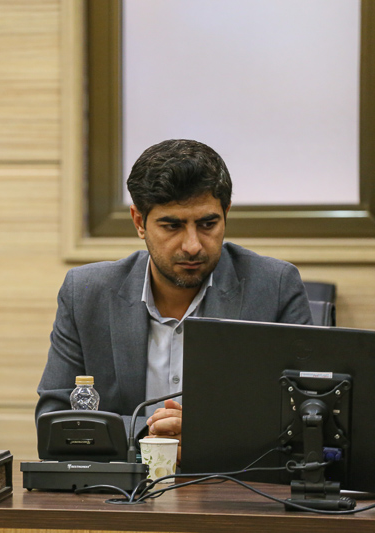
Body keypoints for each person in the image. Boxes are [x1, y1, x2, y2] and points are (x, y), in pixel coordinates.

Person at [36, 139, 312, 461]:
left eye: (207, 224)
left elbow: (307, 421)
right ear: (139, 222)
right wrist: (151, 436)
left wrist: (205, 435)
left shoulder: (274, 287)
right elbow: (53, 424)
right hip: (121, 487)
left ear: (226, 214)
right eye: (172, 226)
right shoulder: (86, 292)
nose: (193, 245)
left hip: (229, 485)